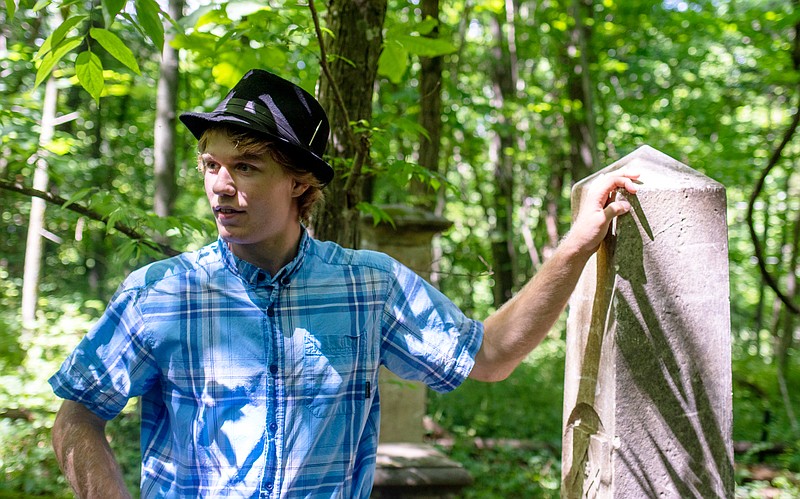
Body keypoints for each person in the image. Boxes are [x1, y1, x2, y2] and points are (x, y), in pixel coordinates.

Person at [50, 68, 639, 498]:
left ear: (300, 182)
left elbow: (490, 354)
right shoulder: (160, 293)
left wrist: (576, 246)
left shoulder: (368, 287)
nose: (220, 185)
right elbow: (78, 414)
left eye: (246, 166)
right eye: (211, 165)